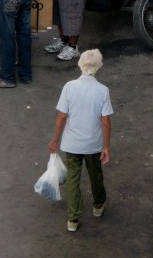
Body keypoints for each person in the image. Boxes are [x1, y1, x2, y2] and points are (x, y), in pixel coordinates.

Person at [48, 49, 113, 232]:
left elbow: (62, 116)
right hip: (93, 144)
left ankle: (73, 218)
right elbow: (106, 121)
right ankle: (98, 205)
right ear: (98, 67)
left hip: (72, 143)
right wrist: (106, 146)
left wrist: (55, 140)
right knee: (95, 175)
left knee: (73, 179)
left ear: (80, 65)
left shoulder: (69, 87)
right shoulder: (103, 91)